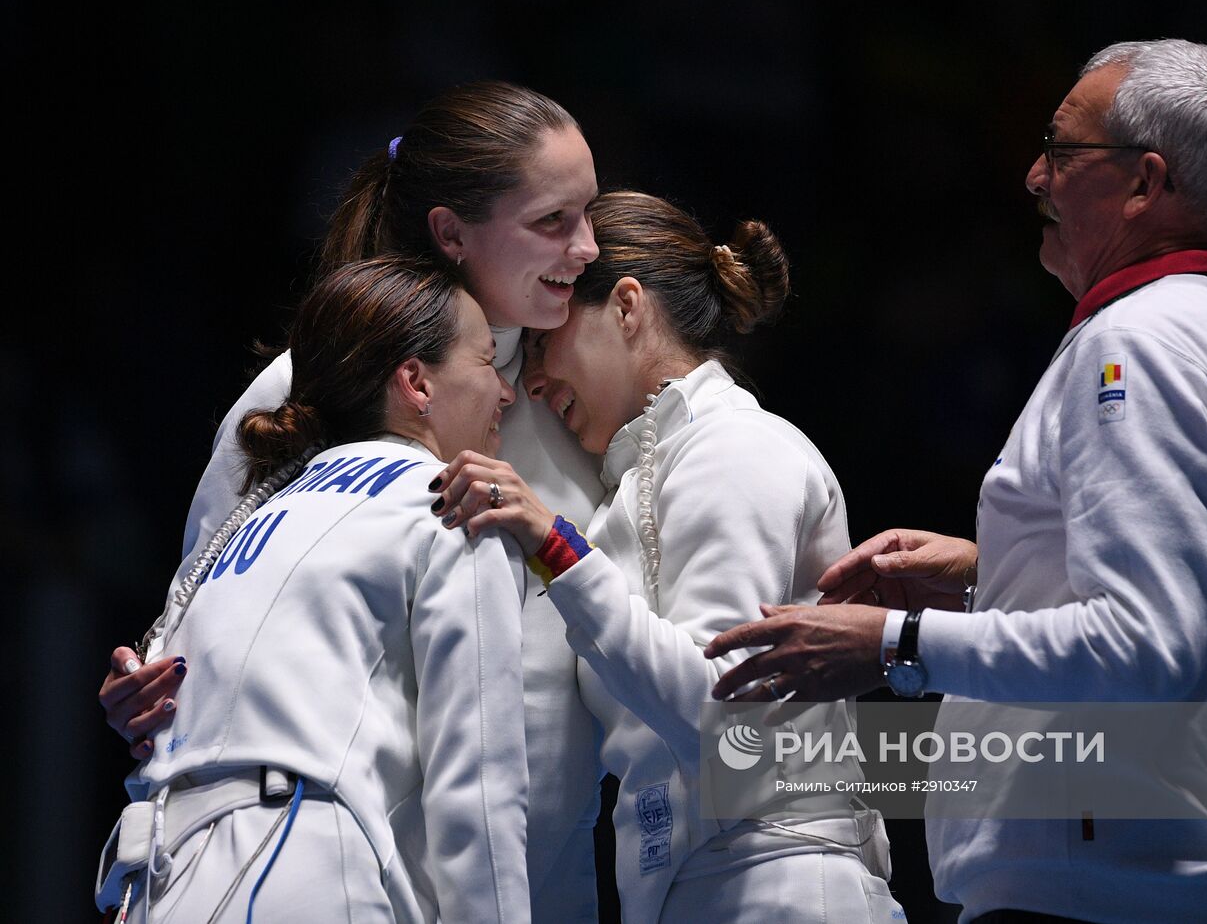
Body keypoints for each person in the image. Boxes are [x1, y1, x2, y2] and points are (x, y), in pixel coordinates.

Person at [707, 39, 1207, 923]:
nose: (1035, 176)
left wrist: (892, 642)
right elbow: (1192, 606)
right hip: (1160, 880)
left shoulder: (1139, 346)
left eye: (1063, 153)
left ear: (1146, 184)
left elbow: (1144, 647)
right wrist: (989, 571)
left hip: (1096, 894)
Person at [97, 81, 606, 920]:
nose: (587, 247)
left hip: (543, 884)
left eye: (589, 212)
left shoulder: (591, 387)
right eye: (553, 221)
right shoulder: (308, 389)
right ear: (451, 232)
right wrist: (152, 687)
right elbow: (211, 607)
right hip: (352, 874)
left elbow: (678, 666)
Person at [428, 190, 904, 923]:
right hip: (696, 891)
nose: (531, 380)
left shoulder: (735, 446)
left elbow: (721, 705)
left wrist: (556, 548)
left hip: (781, 882)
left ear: (626, 307)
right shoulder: (640, 484)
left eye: (548, 337)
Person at [95, 257, 527, 922]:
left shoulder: (253, 516)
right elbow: (479, 793)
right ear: (415, 381)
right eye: (487, 360)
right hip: (301, 865)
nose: (506, 390)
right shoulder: (455, 505)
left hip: (157, 880)